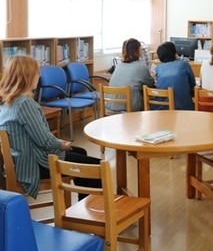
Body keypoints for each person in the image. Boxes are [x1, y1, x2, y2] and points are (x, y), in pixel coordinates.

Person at [0, 55, 101, 200]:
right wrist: (62, 145)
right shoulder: (24, 104)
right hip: (34, 165)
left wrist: (58, 142)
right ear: (27, 76)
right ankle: (94, 215)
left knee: (81, 152)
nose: (40, 75)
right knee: (95, 168)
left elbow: (35, 136)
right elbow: (45, 142)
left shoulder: (7, 101)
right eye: (36, 72)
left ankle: (83, 210)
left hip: (21, 160)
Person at [108, 38, 155, 112]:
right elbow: (151, 84)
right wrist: (153, 76)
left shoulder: (119, 65)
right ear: (137, 50)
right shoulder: (141, 67)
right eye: (141, 49)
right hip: (128, 107)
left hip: (110, 105)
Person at [153, 41, 196, 110]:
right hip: (182, 108)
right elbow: (192, 83)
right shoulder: (184, 64)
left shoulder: (158, 68)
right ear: (174, 52)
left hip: (161, 108)